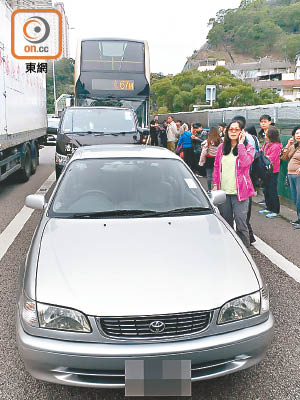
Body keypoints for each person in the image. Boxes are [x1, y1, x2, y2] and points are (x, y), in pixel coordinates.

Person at [212, 121, 255, 249]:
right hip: (224, 192)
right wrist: (215, 184)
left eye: (236, 129)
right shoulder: (221, 148)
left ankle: (244, 251)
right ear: (227, 131)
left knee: (241, 223)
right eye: (231, 129)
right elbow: (216, 167)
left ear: (241, 131)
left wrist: (241, 144)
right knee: (226, 223)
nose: (233, 132)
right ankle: (229, 248)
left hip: (240, 193)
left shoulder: (248, 148)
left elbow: (245, 163)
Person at [258, 126, 282, 218]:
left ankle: (275, 210)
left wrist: (265, 157)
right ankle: (268, 207)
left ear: (270, 135)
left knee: (272, 191)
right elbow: (261, 154)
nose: (265, 134)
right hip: (265, 171)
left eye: (266, 133)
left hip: (273, 172)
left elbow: (271, 159)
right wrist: (264, 157)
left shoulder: (276, 146)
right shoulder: (266, 144)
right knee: (265, 190)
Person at [281, 126, 300, 228]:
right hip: (291, 175)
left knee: (299, 199)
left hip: (298, 176)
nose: (298, 135)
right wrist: (288, 145)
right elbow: (283, 157)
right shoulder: (294, 146)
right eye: (297, 133)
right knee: (295, 198)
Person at [199, 127, 221, 192]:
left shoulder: (208, 141)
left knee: (209, 175)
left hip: (209, 159)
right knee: (217, 174)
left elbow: (204, 152)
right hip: (217, 159)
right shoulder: (220, 140)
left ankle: (209, 189)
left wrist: (201, 161)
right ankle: (217, 187)